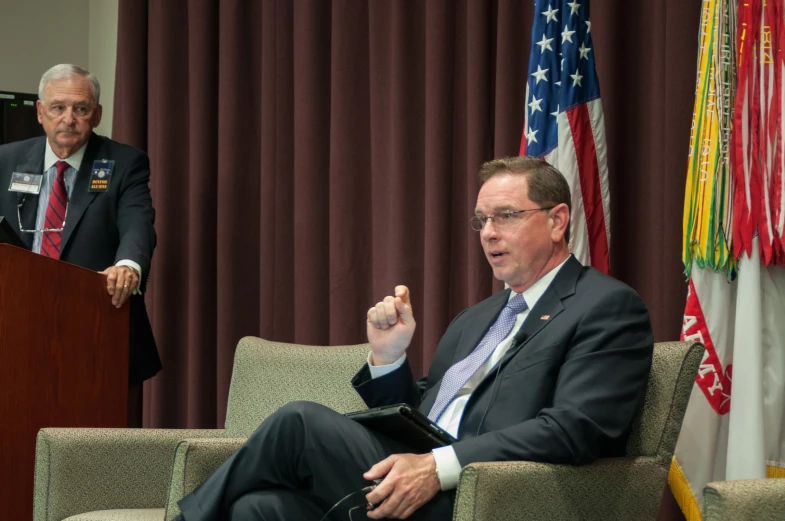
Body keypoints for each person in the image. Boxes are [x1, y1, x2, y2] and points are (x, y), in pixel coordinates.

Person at [175, 156, 654, 520]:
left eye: (505, 215)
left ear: (556, 220)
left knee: (299, 421)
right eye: (481, 220)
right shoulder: (478, 317)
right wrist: (388, 359)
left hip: (483, 494)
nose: (488, 233)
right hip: (416, 472)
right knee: (259, 509)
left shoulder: (606, 307)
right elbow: (423, 414)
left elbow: (575, 429)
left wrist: (439, 467)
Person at [0, 64, 161, 393]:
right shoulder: (7, 160)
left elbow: (137, 222)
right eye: (58, 108)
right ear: (40, 112)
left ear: (97, 115)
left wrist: (127, 265)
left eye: (81, 109)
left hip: (94, 327)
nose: (68, 118)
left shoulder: (124, 163)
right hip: (16, 321)